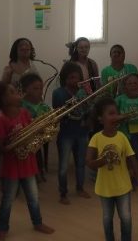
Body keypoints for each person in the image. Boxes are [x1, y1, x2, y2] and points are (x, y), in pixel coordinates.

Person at [0, 82, 54, 239]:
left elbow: (31, 132)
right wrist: (14, 145)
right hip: (11, 167)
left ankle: (37, 222)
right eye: (12, 91)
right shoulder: (1, 120)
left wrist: (37, 134)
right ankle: (2, 227)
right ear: (4, 100)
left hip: (28, 164)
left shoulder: (24, 112)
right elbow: (0, 146)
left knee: (33, 196)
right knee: (8, 199)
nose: (17, 92)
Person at [87, 98, 138, 241]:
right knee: (107, 218)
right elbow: (89, 162)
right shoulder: (96, 138)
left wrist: (137, 175)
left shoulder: (122, 137)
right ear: (100, 119)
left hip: (123, 186)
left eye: (116, 113)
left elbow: (131, 157)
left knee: (126, 217)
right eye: (111, 114)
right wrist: (102, 161)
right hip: (105, 188)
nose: (116, 116)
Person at [52, 62, 91, 204]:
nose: (74, 81)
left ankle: (80, 188)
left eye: (76, 78)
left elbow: (89, 110)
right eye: (70, 78)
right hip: (66, 134)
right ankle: (63, 193)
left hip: (82, 132)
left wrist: (87, 116)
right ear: (64, 79)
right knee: (63, 166)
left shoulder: (83, 92)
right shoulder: (58, 93)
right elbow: (58, 114)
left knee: (81, 163)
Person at [116, 74, 138, 194]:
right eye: (129, 83)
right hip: (129, 131)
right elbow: (114, 113)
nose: (133, 85)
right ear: (125, 87)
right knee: (132, 157)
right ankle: (133, 180)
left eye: (136, 83)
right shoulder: (120, 99)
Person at [20, 74, 52, 182]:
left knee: (37, 153)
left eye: (41, 88)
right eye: (35, 88)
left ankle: (39, 171)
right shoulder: (20, 105)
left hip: (39, 137)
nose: (40, 91)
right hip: (24, 139)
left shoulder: (44, 106)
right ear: (25, 89)